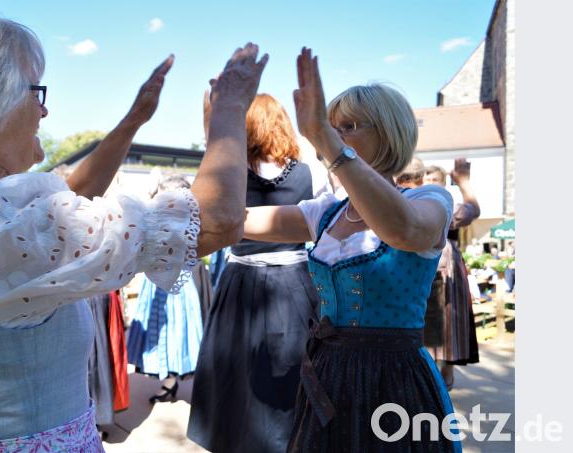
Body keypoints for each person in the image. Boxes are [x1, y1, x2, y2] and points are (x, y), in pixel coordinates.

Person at [0, 12, 266, 451]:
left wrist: (133, 120)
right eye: (35, 91)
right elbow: (217, 221)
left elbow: (66, 198)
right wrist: (232, 107)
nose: (43, 108)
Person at [243, 48, 460, 452]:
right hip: (329, 374)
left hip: (396, 383)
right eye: (333, 125)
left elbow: (405, 231)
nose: (336, 134)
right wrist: (224, 125)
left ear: (388, 132)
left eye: (350, 126)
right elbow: (234, 222)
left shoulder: (430, 200)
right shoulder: (325, 212)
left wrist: (325, 137)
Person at [187, 93, 319, 453]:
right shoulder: (305, 174)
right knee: (290, 376)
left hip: (243, 285)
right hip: (293, 284)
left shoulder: (230, 177)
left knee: (238, 377)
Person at [126, 173, 213, 403]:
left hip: (181, 285)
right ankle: (169, 381)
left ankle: (179, 381)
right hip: (157, 285)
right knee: (164, 331)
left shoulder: (192, 223)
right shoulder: (154, 221)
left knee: (180, 331)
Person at [423, 159, 481, 389]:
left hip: (448, 277)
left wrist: (464, 183)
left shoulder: (445, 206)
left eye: (435, 180)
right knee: (430, 326)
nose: (430, 184)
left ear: (444, 184)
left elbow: (472, 211)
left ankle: (446, 374)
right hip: (428, 275)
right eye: (426, 180)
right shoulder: (418, 204)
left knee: (449, 322)